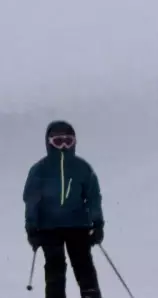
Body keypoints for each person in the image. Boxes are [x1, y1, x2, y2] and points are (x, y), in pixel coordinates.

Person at [23, 121, 105, 298]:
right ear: (49, 142)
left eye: (68, 141)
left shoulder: (82, 168)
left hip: (77, 225)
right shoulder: (40, 170)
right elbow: (31, 200)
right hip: (49, 227)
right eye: (58, 141)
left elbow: (93, 197)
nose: (64, 146)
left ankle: (90, 294)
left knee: (83, 265)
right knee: (55, 268)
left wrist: (97, 223)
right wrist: (31, 226)